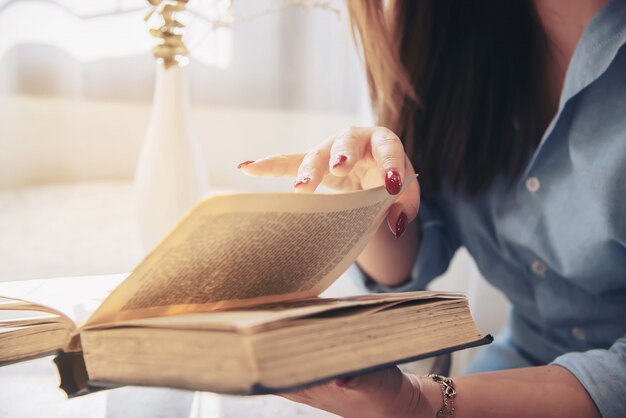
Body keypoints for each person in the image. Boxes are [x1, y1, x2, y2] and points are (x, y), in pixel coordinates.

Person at [238, 0, 626, 416]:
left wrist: (421, 402)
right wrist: (370, 202)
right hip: (518, 369)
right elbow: (413, 254)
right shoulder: (448, 26)